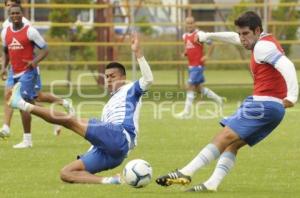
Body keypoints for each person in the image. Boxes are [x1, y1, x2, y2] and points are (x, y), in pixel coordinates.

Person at [156, 11, 298, 192]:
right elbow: (233, 37)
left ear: (257, 30)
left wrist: (292, 96)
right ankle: (211, 184)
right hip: (271, 107)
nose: (242, 38)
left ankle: (185, 172)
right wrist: (208, 35)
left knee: (223, 137)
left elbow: (287, 65)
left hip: (263, 104)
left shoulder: (263, 47)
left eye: (245, 34)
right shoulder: (263, 40)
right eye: (240, 34)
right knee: (232, 144)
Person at [9, 32, 153, 184]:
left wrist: (138, 53)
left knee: (68, 120)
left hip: (119, 135)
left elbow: (148, 79)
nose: (108, 80)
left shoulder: (131, 88)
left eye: (113, 76)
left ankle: (21, 103)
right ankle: (111, 181)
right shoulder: (109, 105)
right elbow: (102, 137)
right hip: (112, 151)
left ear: (123, 78)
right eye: (106, 77)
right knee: (66, 173)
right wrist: (90, 154)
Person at [0, 1, 74, 147]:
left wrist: (34, 62)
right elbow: (6, 51)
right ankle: (59, 117)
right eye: (10, 10)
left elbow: (45, 49)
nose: (14, 14)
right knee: (22, 98)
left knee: (25, 102)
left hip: (28, 71)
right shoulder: (5, 30)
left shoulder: (29, 29)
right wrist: (3, 67)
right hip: (13, 71)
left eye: (16, 11)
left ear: (22, 14)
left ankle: (27, 139)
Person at [175, 16, 224, 119]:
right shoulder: (185, 36)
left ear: (195, 24)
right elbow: (189, 47)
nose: (189, 25)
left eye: (191, 23)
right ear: (185, 25)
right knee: (199, 88)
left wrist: (207, 56)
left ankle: (186, 113)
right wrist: (185, 53)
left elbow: (212, 44)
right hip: (191, 65)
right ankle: (219, 99)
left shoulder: (199, 34)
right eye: (187, 23)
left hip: (198, 65)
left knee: (189, 86)